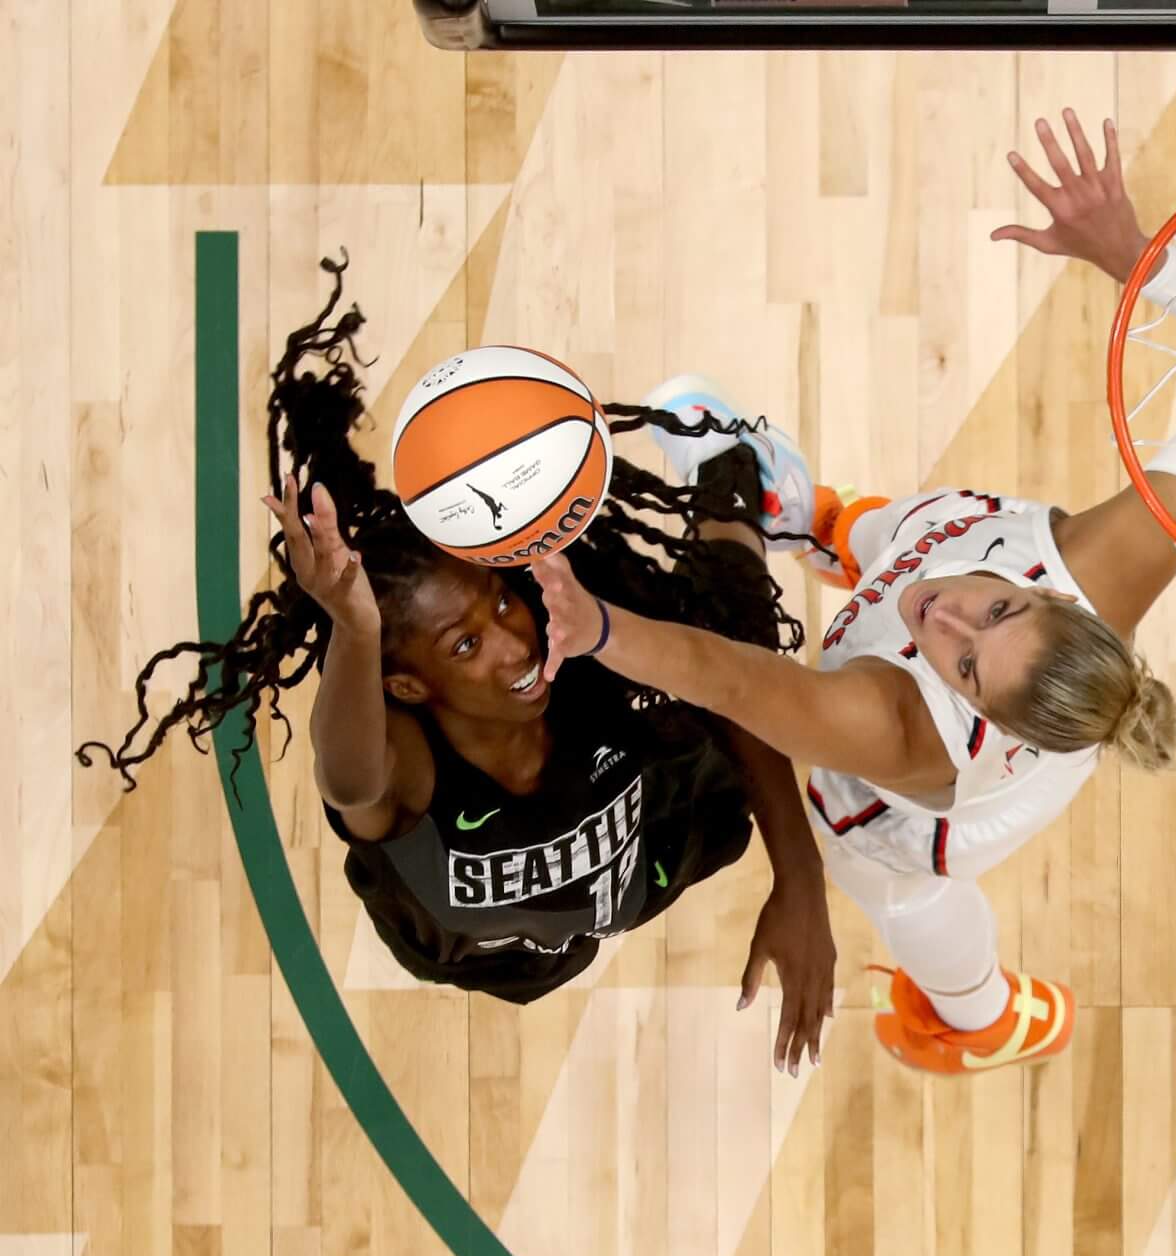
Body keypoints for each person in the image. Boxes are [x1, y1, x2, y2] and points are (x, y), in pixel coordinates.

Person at [527, 108, 1176, 1076]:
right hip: (1057, 693)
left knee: (904, 891)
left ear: (972, 703)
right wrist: (1136, 258)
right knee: (903, 538)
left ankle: (980, 1021)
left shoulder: (893, 726)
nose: (943, 616)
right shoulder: (1105, 562)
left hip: (926, 817)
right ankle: (815, 521)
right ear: (1061, 600)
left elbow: (727, 678)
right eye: (999, 608)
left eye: (963, 662)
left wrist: (596, 625)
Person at [78, 257, 838, 1073]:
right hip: (495, 947)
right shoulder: (406, 766)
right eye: (465, 646)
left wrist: (800, 879)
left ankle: (732, 470)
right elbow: (349, 780)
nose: (514, 643)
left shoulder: (576, 647)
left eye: (501, 603)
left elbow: (734, 686)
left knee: (726, 633)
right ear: (409, 684)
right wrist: (354, 626)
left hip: (659, 839)